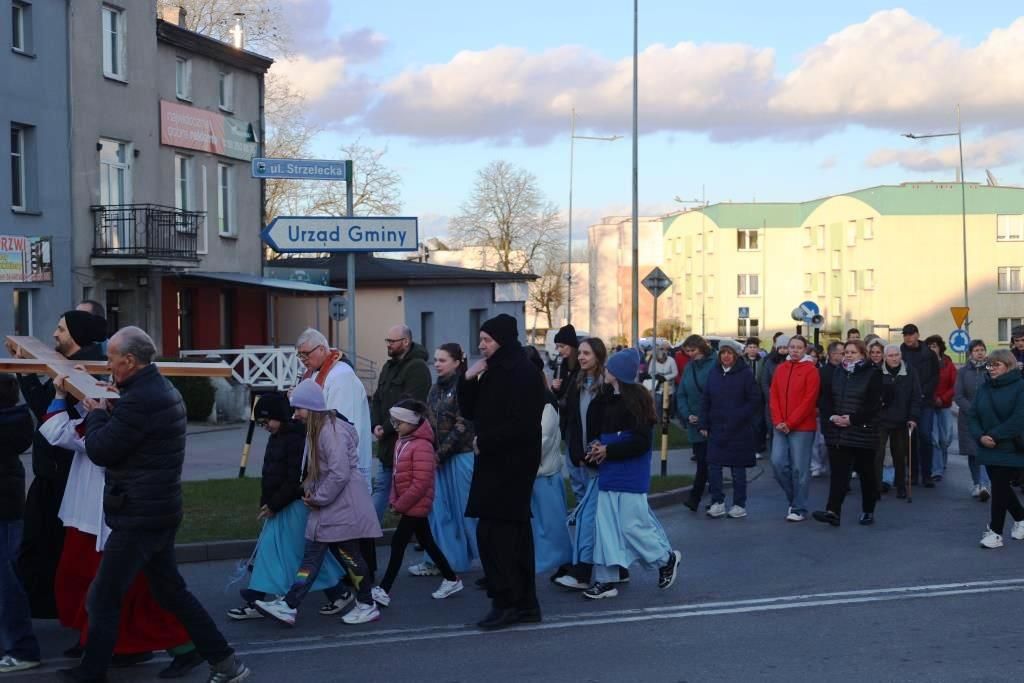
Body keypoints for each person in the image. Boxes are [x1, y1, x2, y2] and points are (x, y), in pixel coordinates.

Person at [64, 327, 249, 683]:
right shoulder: (159, 389)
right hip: (157, 509)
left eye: (112, 360)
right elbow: (135, 435)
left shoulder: (139, 401)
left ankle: (91, 673)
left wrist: (97, 413)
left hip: (139, 514)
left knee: (103, 597)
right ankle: (226, 663)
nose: (108, 366)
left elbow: (100, 449)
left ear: (130, 361)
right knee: (170, 592)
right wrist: (112, 407)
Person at [42, 376, 200, 677]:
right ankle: (123, 648)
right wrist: (81, 390)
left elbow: (61, 432)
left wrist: (63, 396)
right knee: (103, 587)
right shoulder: (118, 420)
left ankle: (187, 647)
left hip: (114, 521)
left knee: (133, 593)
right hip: (100, 518)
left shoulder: (117, 429)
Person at [4, 310, 106, 619]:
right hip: (53, 471)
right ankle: (46, 604)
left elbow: (43, 407)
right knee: (40, 543)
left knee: (48, 544)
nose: (54, 334)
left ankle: (52, 606)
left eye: (61, 329)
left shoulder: (82, 371)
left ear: (76, 335)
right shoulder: (69, 365)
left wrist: (25, 372)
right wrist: (26, 366)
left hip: (63, 473)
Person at [255, 379, 382, 627]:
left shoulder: (329, 432)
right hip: (332, 507)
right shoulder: (320, 430)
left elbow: (339, 473)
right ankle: (289, 605)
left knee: (349, 557)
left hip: (341, 507)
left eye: (298, 409)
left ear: (311, 407)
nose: (295, 414)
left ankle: (366, 604)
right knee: (314, 558)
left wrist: (318, 497)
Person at [458, 314, 546, 630]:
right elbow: (470, 411)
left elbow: (524, 425)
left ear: (503, 340)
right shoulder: (494, 370)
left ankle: (508, 603)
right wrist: (468, 378)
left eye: (487, 340)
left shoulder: (522, 372)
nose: (481, 345)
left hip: (512, 465)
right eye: (481, 339)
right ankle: (523, 604)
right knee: (508, 537)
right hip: (495, 461)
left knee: (499, 537)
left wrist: (485, 440)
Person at [227, 393, 346, 621]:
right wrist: (267, 502)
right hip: (281, 504)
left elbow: (294, 480)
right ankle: (256, 596)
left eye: (266, 421)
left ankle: (337, 592)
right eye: (260, 423)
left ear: (279, 416)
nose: (264, 427)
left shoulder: (295, 439)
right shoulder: (279, 436)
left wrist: (274, 504)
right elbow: (271, 473)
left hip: (293, 505)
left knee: (299, 553)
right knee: (273, 551)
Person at [581, 349, 681, 600]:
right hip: (609, 472)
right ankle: (605, 580)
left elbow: (640, 442)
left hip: (630, 475)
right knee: (605, 528)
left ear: (618, 373)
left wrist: (609, 449)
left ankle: (665, 558)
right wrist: (595, 447)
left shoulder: (638, 400)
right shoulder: (603, 399)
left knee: (632, 526)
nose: (605, 370)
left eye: (609, 368)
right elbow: (596, 432)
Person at [371, 400, 462, 607]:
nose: (395, 426)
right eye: (393, 422)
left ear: (412, 422)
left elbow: (421, 483)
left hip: (416, 503)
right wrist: (394, 499)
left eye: (399, 422)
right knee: (427, 541)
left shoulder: (422, 445)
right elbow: (397, 475)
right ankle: (451, 579)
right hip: (409, 503)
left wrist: (400, 504)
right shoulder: (403, 440)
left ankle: (384, 589)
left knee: (398, 543)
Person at [410, 343, 478, 577]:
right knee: (440, 512)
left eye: (442, 360)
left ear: (457, 363)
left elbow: (463, 424)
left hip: (460, 457)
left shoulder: (463, 387)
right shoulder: (434, 389)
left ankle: (491, 562)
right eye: (436, 360)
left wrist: (440, 454)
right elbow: (428, 421)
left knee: (467, 514)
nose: (437, 364)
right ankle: (440, 561)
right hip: (438, 459)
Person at [554, 338, 608, 590]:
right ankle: (617, 567)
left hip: (602, 460)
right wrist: (576, 450)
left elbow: (608, 423)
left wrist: (601, 448)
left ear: (598, 355)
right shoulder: (578, 382)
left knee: (588, 516)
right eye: (581, 353)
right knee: (596, 516)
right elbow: (574, 420)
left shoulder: (606, 386)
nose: (582, 357)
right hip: (582, 459)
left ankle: (583, 572)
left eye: (587, 353)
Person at [812, 340, 883, 528]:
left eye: (853, 352)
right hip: (839, 432)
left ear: (863, 354)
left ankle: (868, 510)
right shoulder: (838, 372)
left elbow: (873, 405)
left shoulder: (873, 373)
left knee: (866, 474)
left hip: (863, 432)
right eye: (846, 352)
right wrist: (832, 417)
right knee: (839, 475)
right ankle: (833, 512)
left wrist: (852, 419)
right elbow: (826, 398)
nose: (848, 355)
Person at [294, 329, 372, 492]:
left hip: (341, 463)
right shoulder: (314, 374)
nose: (303, 360)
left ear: (322, 349)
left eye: (306, 354)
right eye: (300, 355)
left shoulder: (341, 376)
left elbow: (343, 426)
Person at [0, 373, 40, 674]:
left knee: (7, 583)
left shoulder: (8, 424)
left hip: (4, 510)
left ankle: (22, 648)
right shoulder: (15, 419)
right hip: (8, 507)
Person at [371, 325, 432, 520]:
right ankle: (368, 532)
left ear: (405, 342)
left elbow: (412, 406)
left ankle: (372, 531)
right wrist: (376, 424)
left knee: (411, 495)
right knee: (381, 488)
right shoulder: (388, 367)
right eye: (387, 341)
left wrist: (386, 427)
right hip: (387, 445)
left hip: (407, 444)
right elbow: (377, 399)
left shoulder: (417, 368)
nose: (388, 345)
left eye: (392, 341)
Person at [524, 347, 573, 574]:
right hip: (532, 472)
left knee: (551, 526)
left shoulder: (545, 400)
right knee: (538, 526)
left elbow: (542, 438)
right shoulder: (527, 396)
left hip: (543, 474)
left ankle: (565, 564)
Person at [969, 349, 1024, 549]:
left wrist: (994, 435)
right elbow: (973, 415)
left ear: (1008, 366)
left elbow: (1019, 419)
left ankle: (995, 533)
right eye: (989, 364)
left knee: (999, 488)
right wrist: (980, 436)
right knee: (1001, 487)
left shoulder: (1020, 387)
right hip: (987, 446)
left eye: (996, 365)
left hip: (1010, 447)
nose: (991, 368)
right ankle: (1021, 518)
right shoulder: (984, 388)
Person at [699, 342, 760, 519]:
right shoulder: (714, 373)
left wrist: (739, 416)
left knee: (737, 468)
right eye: (723, 353)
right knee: (714, 466)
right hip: (716, 427)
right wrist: (703, 423)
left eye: (730, 353)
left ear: (736, 355)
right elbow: (706, 399)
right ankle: (717, 502)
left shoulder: (745, 374)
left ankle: (739, 504)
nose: (726, 356)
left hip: (739, 428)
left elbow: (754, 400)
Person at [769, 335, 820, 522]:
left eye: (799, 347)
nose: (795, 350)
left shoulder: (811, 370)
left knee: (800, 469)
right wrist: (778, 421)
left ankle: (799, 508)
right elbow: (773, 395)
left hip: (802, 427)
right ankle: (795, 499)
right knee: (777, 463)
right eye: (792, 347)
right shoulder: (781, 368)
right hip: (780, 425)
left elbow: (809, 400)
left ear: (805, 350)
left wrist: (790, 422)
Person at [876, 345, 921, 499]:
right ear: (885, 357)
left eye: (896, 355)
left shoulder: (910, 371)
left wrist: (913, 417)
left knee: (900, 454)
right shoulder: (877, 372)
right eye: (890, 356)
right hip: (881, 420)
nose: (894, 358)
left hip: (901, 419)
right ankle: (876, 486)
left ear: (901, 355)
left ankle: (900, 485)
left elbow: (916, 396)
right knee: (878, 454)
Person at [676, 335, 715, 512]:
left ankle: (702, 498)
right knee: (702, 461)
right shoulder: (689, 367)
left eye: (693, 350)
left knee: (711, 462)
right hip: (694, 423)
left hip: (712, 421)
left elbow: (719, 394)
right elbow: (681, 393)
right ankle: (702, 498)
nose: (690, 354)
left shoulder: (714, 364)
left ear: (701, 348)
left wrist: (706, 417)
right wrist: (687, 414)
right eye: (688, 351)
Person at [901, 324, 940, 487]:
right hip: (907, 402)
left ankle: (927, 474)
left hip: (925, 401)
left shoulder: (929, 354)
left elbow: (935, 376)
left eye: (911, 334)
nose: (908, 337)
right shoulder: (900, 353)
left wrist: (923, 392)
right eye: (905, 335)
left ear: (917, 335)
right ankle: (912, 474)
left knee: (925, 436)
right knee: (910, 438)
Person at [955, 340, 992, 502]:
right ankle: (976, 483)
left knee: (984, 450)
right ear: (970, 353)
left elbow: (995, 390)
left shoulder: (991, 369)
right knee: (972, 452)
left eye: (982, 349)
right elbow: (958, 395)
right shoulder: (963, 372)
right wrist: (972, 410)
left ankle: (985, 485)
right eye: (976, 350)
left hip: (987, 416)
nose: (980, 353)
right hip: (967, 417)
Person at [926, 335, 957, 481]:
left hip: (945, 406)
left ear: (940, 348)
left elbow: (955, 385)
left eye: (934, 346)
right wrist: (933, 398)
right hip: (929, 406)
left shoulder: (948, 364)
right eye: (929, 347)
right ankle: (936, 470)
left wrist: (943, 398)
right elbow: (922, 384)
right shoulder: (924, 364)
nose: (932, 349)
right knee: (935, 438)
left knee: (946, 438)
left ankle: (942, 462)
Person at [812, 341, 844, 478]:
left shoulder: (847, 370)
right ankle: (823, 466)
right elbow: (817, 393)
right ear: (832, 354)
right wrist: (818, 407)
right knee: (825, 444)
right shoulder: (821, 372)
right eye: (842, 353)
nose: (845, 356)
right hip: (827, 414)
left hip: (844, 413)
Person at [759, 336, 790, 457]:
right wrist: (771, 398)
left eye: (785, 347)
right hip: (772, 402)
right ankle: (775, 455)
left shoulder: (792, 362)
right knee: (773, 430)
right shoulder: (770, 362)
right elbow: (764, 382)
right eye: (780, 347)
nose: (783, 350)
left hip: (789, 402)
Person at [551, 324, 580, 429]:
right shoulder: (560, 364)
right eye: (557, 346)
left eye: (562, 346)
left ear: (572, 346)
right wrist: (555, 388)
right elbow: (558, 394)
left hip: (577, 417)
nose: (559, 350)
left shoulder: (581, 364)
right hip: (564, 416)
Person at [643, 342, 678, 421]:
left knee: (668, 402)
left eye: (662, 360)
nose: (661, 361)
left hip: (668, 385)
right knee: (658, 402)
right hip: (658, 385)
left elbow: (675, 373)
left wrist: (665, 377)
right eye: (659, 360)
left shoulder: (671, 360)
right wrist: (656, 376)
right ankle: (658, 418)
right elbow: (650, 371)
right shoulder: (653, 360)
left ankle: (667, 418)